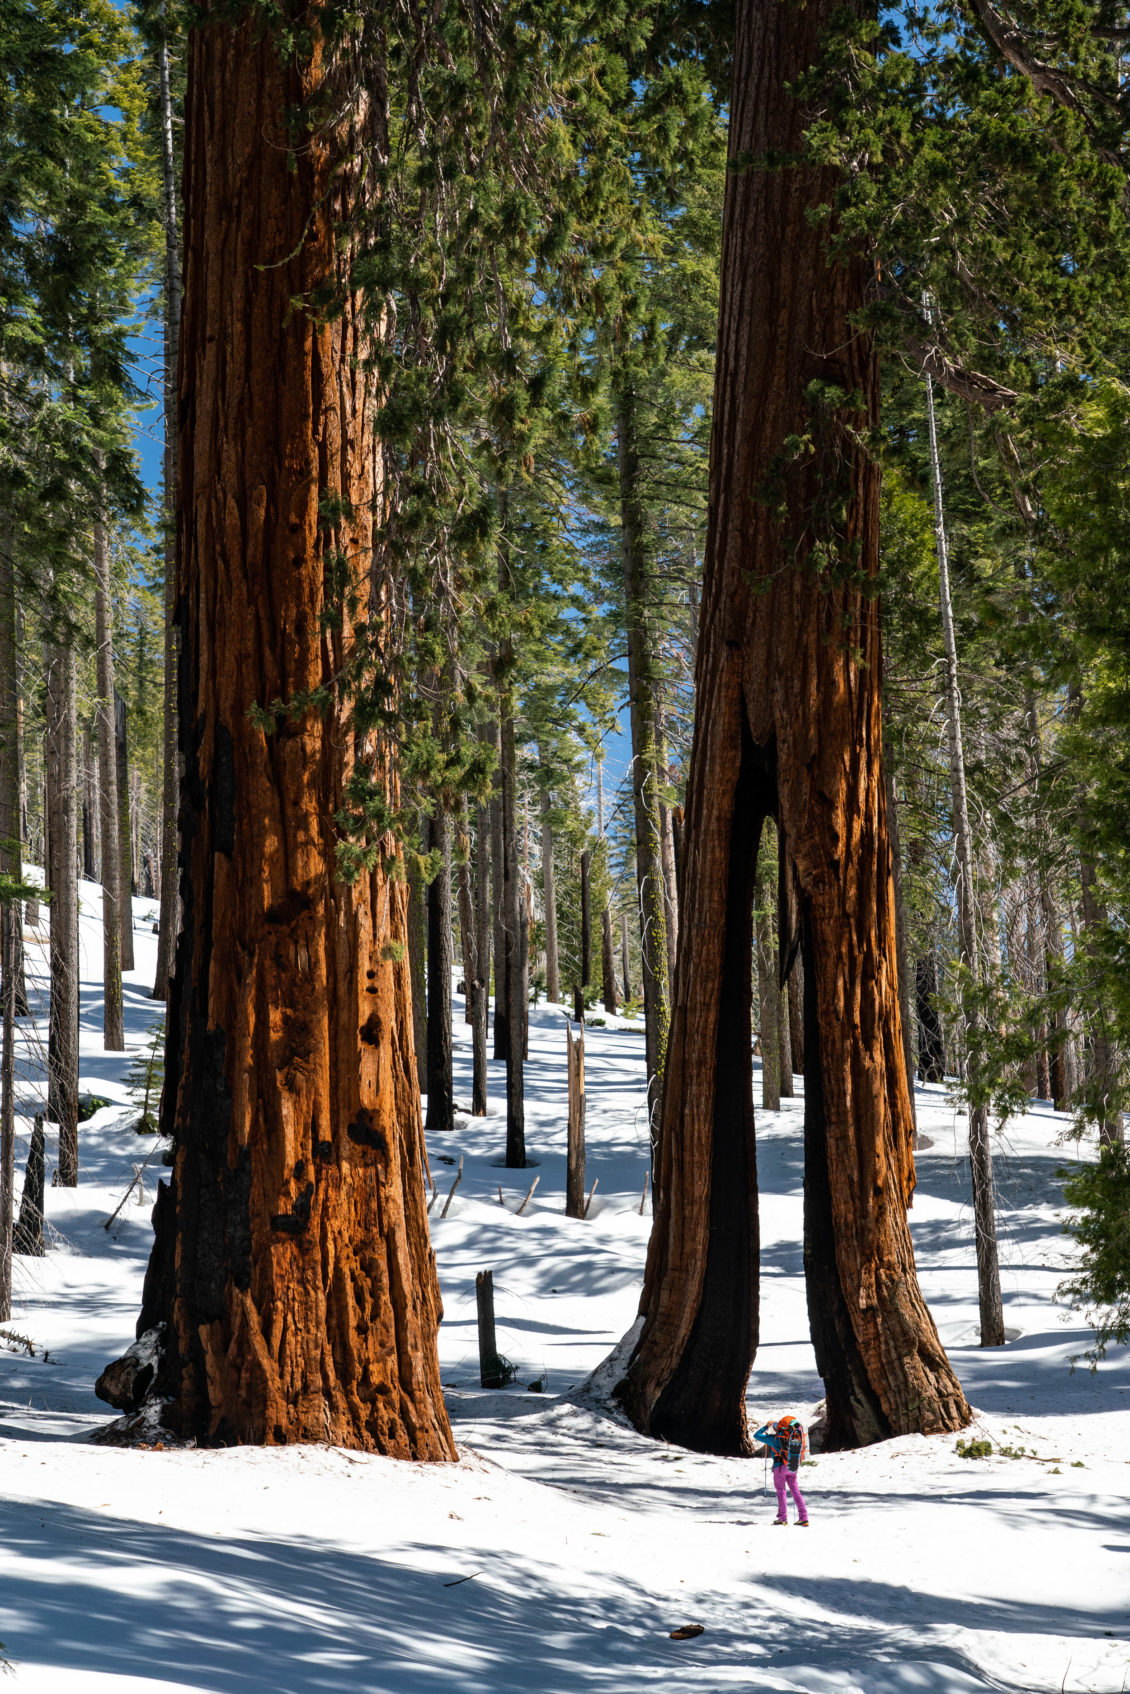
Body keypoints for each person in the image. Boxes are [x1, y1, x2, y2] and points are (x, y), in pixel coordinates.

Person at [754, 1414, 809, 1526]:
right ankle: (804, 1517)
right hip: (793, 1465)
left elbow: (757, 1435)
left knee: (781, 1491)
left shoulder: (774, 1440)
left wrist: (766, 1426)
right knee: (795, 1491)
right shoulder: (793, 1437)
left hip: (780, 1467)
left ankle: (782, 1518)